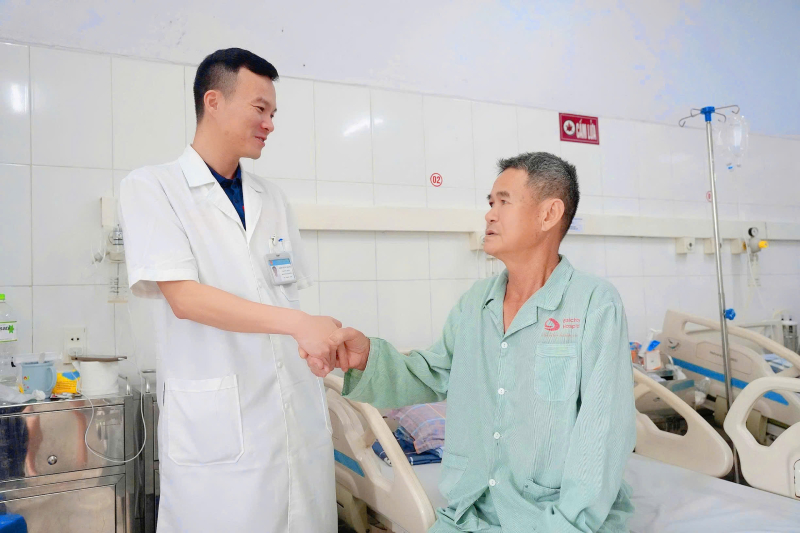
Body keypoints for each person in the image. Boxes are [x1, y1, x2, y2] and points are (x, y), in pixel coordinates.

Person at [310, 152, 637, 532]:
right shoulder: (476, 303)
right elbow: (434, 372)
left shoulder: (594, 303)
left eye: (503, 202)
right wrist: (367, 357)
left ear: (548, 214)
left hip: (557, 517)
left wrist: (568, 522)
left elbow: (602, 430)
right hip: (472, 511)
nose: (489, 214)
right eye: (490, 202)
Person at [119, 48, 338, 532]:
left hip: (293, 411)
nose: (270, 124)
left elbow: (283, 294)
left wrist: (314, 340)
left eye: (273, 113)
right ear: (213, 102)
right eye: (260, 109)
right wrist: (299, 324)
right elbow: (185, 298)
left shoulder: (271, 197)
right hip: (218, 426)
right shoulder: (153, 187)